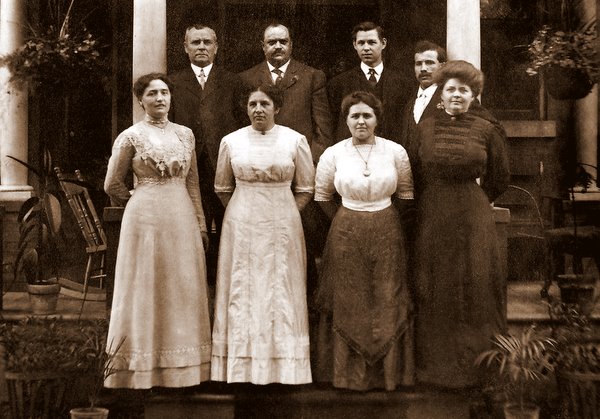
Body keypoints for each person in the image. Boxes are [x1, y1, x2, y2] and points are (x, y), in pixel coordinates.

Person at [104, 73, 212, 388]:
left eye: (164, 93)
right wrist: (137, 196)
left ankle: (183, 367)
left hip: (180, 214)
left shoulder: (185, 135)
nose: (160, 99)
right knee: (146, 283)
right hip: (145, 219)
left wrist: (201, 222)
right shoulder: (131, 136)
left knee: (180, 284)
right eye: (152, 94)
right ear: (141, 100)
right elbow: (112, 183)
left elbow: (193, 184)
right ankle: (141, 369)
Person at [411, 61, 510, 389]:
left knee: (475, 282)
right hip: (434, 213)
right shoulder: (424, 128)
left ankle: (476, 371)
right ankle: (436, 371)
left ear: (473, 95)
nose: (456, 95)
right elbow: (414, 170)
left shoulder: (486, 128)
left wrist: (476, 199)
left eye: (463, 91)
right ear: (442, 93)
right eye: (450, 89)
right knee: (435, 283)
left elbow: (500, 177)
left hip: (472, 215)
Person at [211, 84, 314, 385]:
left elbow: (306, 188)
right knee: (242, 286)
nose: (258, 109)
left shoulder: (295, 141)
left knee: (280, 286)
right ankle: (240, 367)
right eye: (253, 104)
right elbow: (222, 187)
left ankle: (284, 368)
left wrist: (281, 212)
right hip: (240, 222)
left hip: (283, 221)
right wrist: (246, 211)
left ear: (277, 107)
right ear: (246, 108)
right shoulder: (231, 141)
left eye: (265, 103)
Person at [314, 91, 415, 391]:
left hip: (387, 228)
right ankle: (347, 376)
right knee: (349, 299)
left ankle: (387, 376)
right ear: (346, 120)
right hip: (346, 232)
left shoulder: (395, 151)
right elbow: (322, 196)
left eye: (366, 115)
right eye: (354, 116)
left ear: (377, 119)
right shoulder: (333, 153)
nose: (361, 121)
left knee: (387, 297)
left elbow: (406, 194)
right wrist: (347, 221)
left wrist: (382, 219)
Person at [169, 24, 245, 287]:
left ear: (216, 47)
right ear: (185, 47)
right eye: (196, 42)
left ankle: (225, 287)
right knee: (191, 230)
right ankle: (193, 288)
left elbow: (242, 123)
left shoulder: (234, 81)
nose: (201, 47)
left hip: (224, 169)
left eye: (207, 42)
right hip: (189, 171)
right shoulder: (173, 82)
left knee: (227, 228)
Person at [239, 22, 332, 163]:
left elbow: (322, 129)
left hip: (300, 159)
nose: (278, 46)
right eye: (271, 42)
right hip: (258, 160)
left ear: (291, 45)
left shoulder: (312, 76)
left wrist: (311, 162)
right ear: (263, 46)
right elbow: (241, 126)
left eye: (283, 42)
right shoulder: (246, 78)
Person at [328, 21, 408, 144]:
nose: (366, 48)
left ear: (383, 43)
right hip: (353, 152)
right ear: (354, 45)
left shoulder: (402, 83)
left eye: (372, 42)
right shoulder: (339, 83)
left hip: (389, 152)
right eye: (361, 43)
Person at [399, 40, 446, 153]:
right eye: (418, 63)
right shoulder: (408, 101)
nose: (423, 68)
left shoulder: (448, 98)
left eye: (429, 62)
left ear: (442, 66)